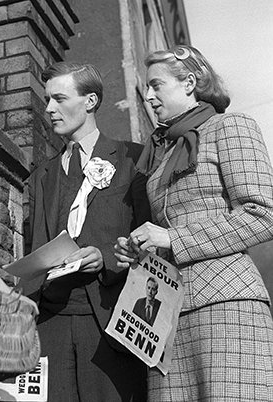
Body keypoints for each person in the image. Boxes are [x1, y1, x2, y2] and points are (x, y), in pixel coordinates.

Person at [115, 45, 273, 401]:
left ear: (189, 82)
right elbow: (170, 230)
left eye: (157, 85)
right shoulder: (160, 154)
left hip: (226, 306)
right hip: (164, 318)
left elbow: (263, 214)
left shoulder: (229, 126)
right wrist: (143, 250)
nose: (150, 96)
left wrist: (172, 238)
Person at [24, 62, 151, 401]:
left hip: (110, 320)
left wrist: (105, 255)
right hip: (51, 320)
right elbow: (35, 247)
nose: (49, 109)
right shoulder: (41, 176)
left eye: (59, 99)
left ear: (90, 101)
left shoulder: (131, 159)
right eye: (47, 100)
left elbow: (152, 240)